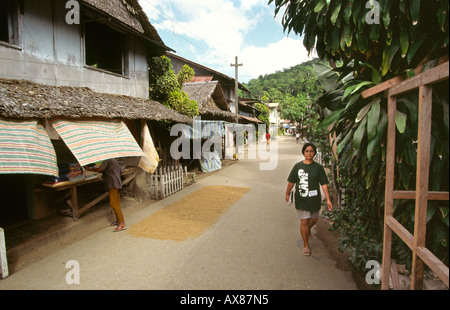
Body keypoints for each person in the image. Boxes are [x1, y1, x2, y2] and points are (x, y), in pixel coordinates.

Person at [285, 143, 332, 256]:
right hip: (301, 199)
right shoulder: (297, 166)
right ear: (303, 153)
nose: (309, 153)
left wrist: (328, 199)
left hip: (314, 199)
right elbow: (292, 181)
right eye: (307, 151)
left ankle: (307, 230)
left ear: (314, 153)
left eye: (311, 151)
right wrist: (287, 193)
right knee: (304, 221)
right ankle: (306, 244)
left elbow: (324, 184)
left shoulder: (319, 168)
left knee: (314, 219)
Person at [86, 158, 126, 232]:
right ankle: (118, 220)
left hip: (112, 183)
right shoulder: (114, 160)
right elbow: (120, 170)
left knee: (114, 204)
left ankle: (121, 223)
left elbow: (99, 170)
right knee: (116, 203)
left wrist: (89, 169)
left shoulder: (107, 160)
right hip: (117, 182)